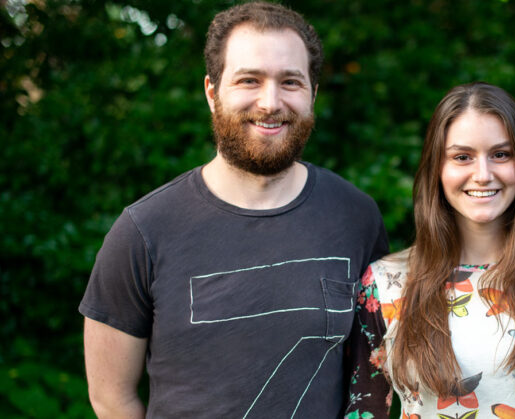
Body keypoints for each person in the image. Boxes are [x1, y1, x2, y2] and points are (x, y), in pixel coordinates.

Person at [79, 2, 388, 417]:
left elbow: (368, 375)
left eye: (290, 82)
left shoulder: (356, 218)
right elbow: (111, 397)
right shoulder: (143, 232)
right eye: (249, 79)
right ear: (212, 92)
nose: (270, 102)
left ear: (313, 94)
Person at [345, 82, 515, 419]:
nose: (483, 174)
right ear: (437, 169)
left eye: (501, 155)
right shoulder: (385, 284)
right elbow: (364, 412)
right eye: (462, 157)